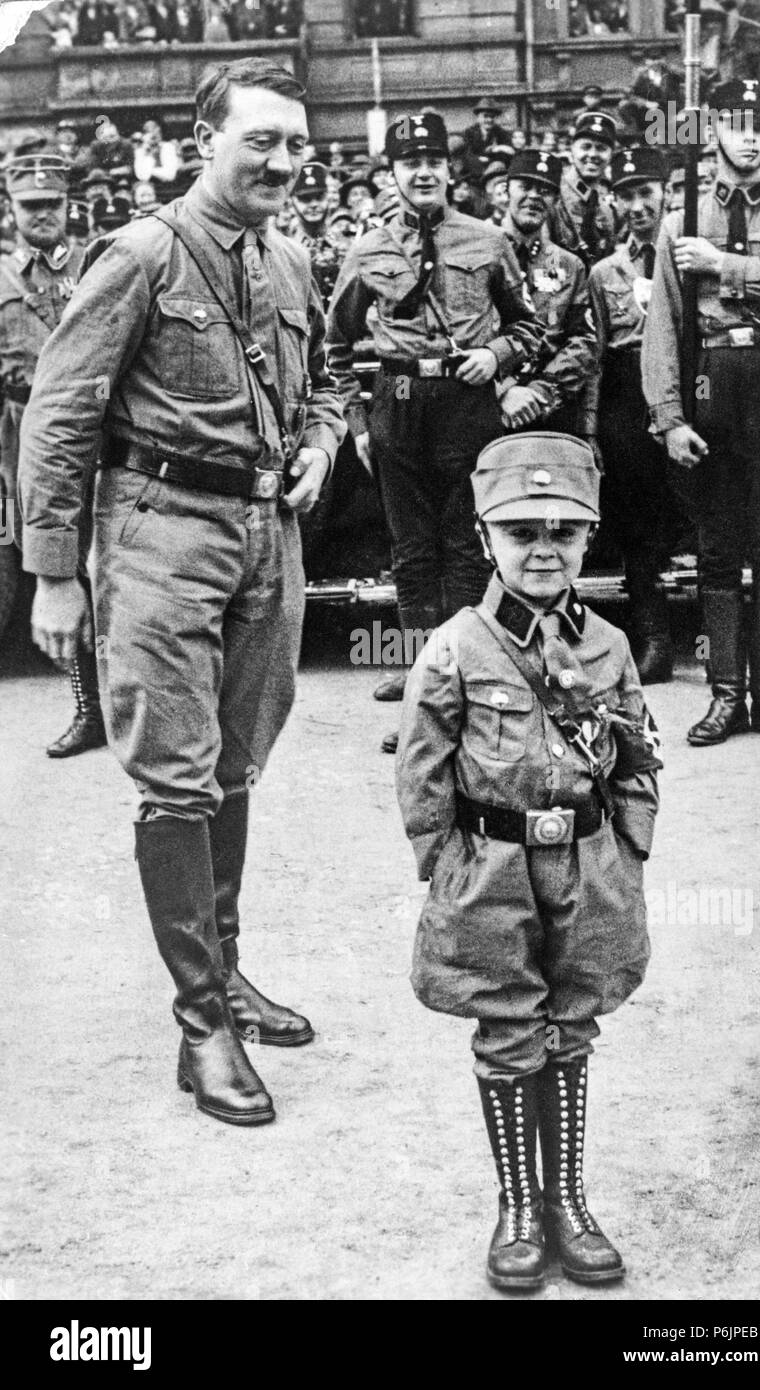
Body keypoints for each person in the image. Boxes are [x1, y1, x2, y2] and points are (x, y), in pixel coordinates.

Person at [17, 59, 346, 1125]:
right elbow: (60, 413)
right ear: (203, 138)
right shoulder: (143, 255)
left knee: (237, 756)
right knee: (176, 775)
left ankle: (229, 968)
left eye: (296, 145)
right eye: (261, 141)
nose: (282, 163)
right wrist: (57, 574)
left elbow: (327, 379)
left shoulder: (293, 260)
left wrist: (322, 444)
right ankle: (200, 1023)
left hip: (266, 532)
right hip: (160, 533)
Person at [396, 432, 661, 1291]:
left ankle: (570, 1203)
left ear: (588, 537)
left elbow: (639, 754)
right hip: (494, 870)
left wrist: (629, 848)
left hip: (586, 864)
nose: (544, 550)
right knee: (508, 1026)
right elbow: (422, 765)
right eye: (521, 533)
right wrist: (445, 864)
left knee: (573, 1021)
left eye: (564, 532)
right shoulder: (456, 645)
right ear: (484, 539)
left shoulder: (610, 646)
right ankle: (519, 1204)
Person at [326, 112, 538, 747]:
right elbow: (333, 346)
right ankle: (422, 705)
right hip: (397, 404)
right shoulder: (367, 250)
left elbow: (528, 329)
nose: (423, 172)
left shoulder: (487, 241)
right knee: (413, 559)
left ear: (450, 170)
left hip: (466, 405)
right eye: (409, 163)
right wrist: (359, 422)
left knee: (470, 553)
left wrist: (496, 357)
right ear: (391, 175)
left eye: (434, 161)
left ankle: (472, 696)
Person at [642, 78, 760, 744]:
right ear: (712, 133)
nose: (748, 136)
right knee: (716, 552)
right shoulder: (679, 218)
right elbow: (664, 323)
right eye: (735, 123)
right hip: (713, 382)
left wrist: (727, 265)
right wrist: (670, 418)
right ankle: (724, 696)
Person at [0, 150, 103, 758]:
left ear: (70, 207)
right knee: (45, 558)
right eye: (30, 206)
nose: (42, 216)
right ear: (11, 210)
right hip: (17, 435)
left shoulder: (95, 265)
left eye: (52, 206)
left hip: (93, 429)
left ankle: (120, 704)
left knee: (103, 562)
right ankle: (86, 709)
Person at [586, 146, 679, 684]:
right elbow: (596, 354)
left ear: (666, 194)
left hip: (685, 385)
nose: (638, 205)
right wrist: (592, 427)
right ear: (613, 202)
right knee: (638, 519)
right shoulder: (606, 272)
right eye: (627, 196)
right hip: (627, 393)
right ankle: (654, 639)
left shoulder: (686, 253)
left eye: (647, 192)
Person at [497, 149, 597, 439]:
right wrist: (504, 390)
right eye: (525, 187)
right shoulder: (480, 254)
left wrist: (543, 389)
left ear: (555, 200)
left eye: (545, 191)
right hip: (488, 404)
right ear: (506, 190)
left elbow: (584, 338)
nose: (534, 197)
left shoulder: (570, 264)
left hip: (550, 406)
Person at [549, 110, 618, 271]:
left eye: (601, 148)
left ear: (611, 155)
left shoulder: (607, 211)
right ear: (572, 150)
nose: (593, 154)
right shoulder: (553, 197)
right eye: (586, 147)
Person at [286, 160, 346, 309]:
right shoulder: (284, 248)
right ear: (292, 201)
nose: (313, 204)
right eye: (305, 199)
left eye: (319, 197)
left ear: (328, 198)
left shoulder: (346, 242)